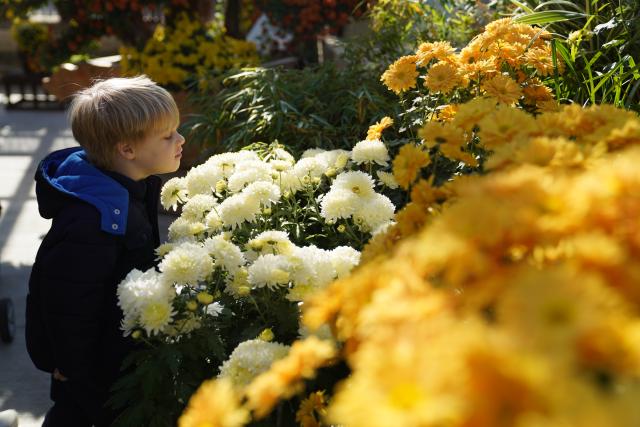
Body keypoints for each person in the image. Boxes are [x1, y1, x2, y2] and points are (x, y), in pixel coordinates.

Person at [25, 76, 185, 427]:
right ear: (127, 150)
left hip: (111, 354)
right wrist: (72, 368)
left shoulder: (127, 189)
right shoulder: (93, 220)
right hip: (92, 373)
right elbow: (67, 301)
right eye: (167, 135)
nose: (180, 140)